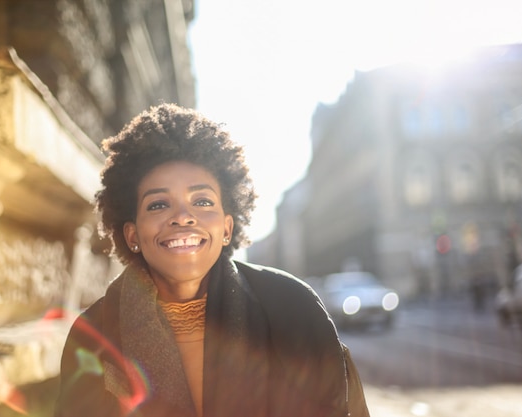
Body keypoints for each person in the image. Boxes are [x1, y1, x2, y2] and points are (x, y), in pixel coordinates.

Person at [54, 103, 370, 417]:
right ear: (132, 235)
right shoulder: (93, 334)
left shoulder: (294, 308)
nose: (183, 217)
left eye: (202, 201)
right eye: (158, 205)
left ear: (226, 228)